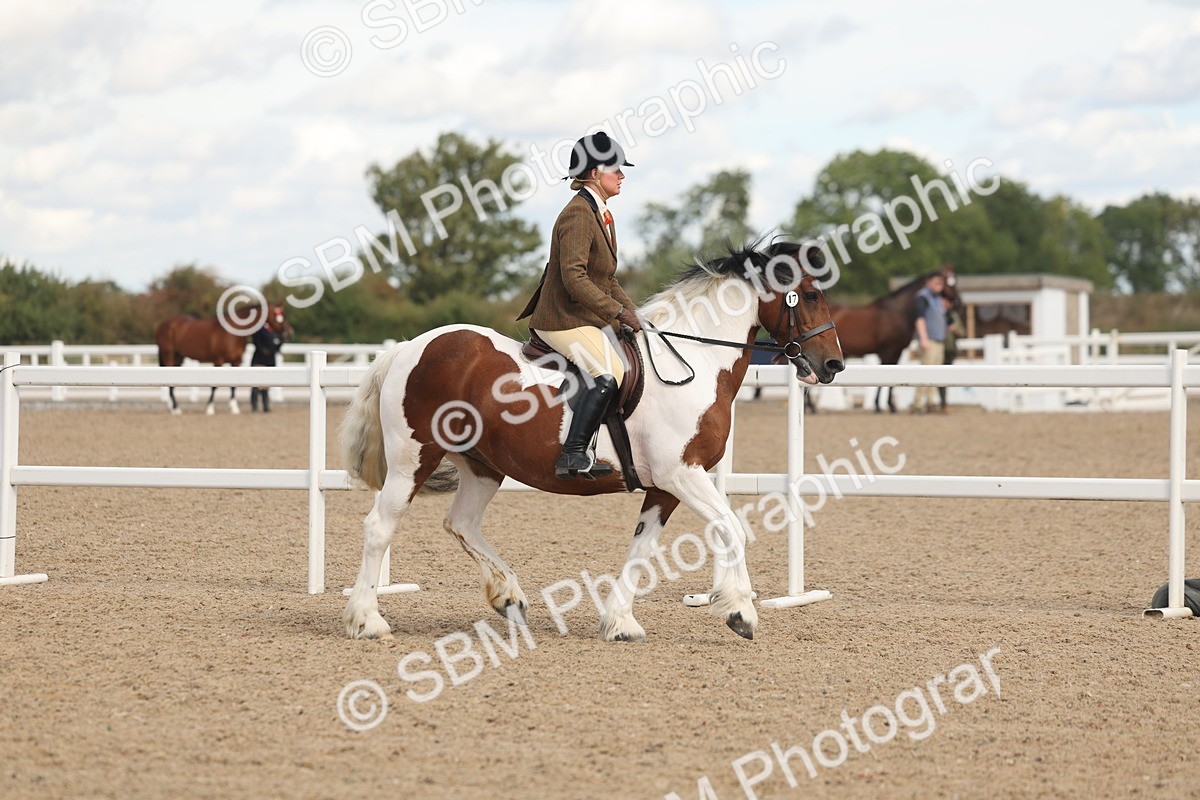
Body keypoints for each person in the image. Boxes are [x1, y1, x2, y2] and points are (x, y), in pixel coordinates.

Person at [516, 131, 641, 479]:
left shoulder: (599, 213)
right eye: (615, 168)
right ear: (594, 173)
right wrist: (617, 313)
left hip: (580, 316)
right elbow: (575, 279)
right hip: (562, 319)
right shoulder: (578, 215)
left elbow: (608, 280)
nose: (622, 174)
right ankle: (572, 453)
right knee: (610, 372)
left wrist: (637, 315)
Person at [910, 272, 947, 414]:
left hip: (938, 339)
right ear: (929, 282)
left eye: (941, 283)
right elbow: (919, 319)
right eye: (937, 282)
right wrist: (923, 338)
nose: (940, 285)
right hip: (929, 340)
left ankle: (931, 402)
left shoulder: (937, 299)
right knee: (925, 372)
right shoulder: (923, 297)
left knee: (935, 373)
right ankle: (918, 403)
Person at [250, 304, 289, 413]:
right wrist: (264, 350)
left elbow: (275, 347)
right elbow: (257, 342)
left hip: (269, 360)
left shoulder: (273, 330)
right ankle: (254, 407)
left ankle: (266, 406)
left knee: (266, 386)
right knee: (256, 385)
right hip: (259, 359)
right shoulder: (258, 328)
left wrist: (281, 341)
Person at [939, 294, 964, 413]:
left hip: (950, 349)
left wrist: (955, 330)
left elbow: (963, 333)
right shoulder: (937, 315)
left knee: (944, 378)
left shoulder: (954, 316)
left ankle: (943, 403)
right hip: (940, 349)